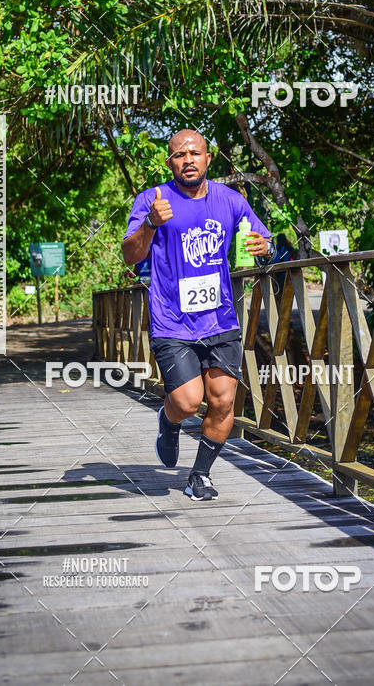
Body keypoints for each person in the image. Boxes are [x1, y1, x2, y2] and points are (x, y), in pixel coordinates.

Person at [122, 129, 275, 501]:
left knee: (223, 400)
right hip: (172, 320)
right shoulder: (151, 200)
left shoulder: (231, 200)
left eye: (194, 153)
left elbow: (263, 242)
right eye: (178, 154)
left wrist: (265, 248)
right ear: (169, 162)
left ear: (209, 158)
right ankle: (168, 420)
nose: (187, 159)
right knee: (188, 401)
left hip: (220, 318)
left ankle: (200, 476)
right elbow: (130, 255)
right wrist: (150, 224)